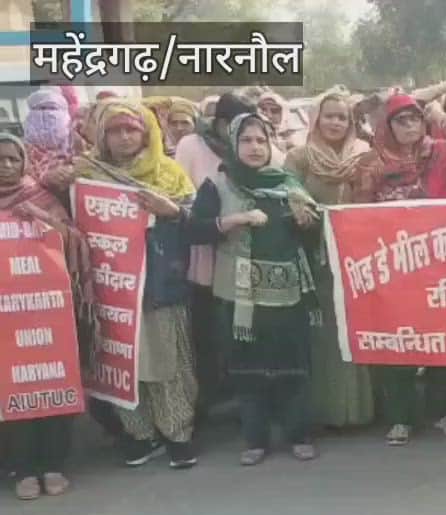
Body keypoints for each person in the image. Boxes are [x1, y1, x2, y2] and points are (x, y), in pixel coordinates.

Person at [188, 113, 322, 465]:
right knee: (247, 369)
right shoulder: (218, 185)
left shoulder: (288, 182)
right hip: (238, 295)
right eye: (246, 140)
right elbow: (195, 230)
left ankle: (298, 434)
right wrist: (233, 221)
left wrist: (308, 221)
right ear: (233, 145)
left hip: (286, 291)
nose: (254, 147)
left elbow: (314, 232)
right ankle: (255, 439)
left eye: (261, 140)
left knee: (292, 366)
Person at [75, 99, 200, 469]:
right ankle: (140, 434)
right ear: (102, 136)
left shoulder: (170, 174)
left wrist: (173, 211)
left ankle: (178, 434)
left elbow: (199, 221)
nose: (124, 137)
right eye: (115, 131)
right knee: (123, 363)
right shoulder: (88, 175)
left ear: (147, 133)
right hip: (112, 288)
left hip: (161, 284)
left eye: (132, 129)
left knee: (168, 362)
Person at [353, 92, 446, 446]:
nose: (409, 126)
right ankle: (401, 417)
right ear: (388, 126)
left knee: (444, 337)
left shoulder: (442, 151)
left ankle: (443, 411)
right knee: (398, 339)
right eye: (400, 120)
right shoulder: (373, 162)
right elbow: (360, 213)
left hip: (443, 259)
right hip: (394, 264)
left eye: (415, 119)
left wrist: (437, 113)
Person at [283, 88, 376, 431]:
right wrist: (299, 203)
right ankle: (327, 412)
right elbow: (288, 189)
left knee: (358, 326)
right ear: (316, 119)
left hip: (359, 258)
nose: (335, 122)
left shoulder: (365, 155)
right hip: (316, 257)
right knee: (325, 331)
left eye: (342, 117)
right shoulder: (299, 157)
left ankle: (361, 411)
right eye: (329, 116)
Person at [174, 92, 264, 425]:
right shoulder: (192, 146)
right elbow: (182, 196)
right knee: (208, 335)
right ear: (222, 123)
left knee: (242, 336)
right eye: (235, 126)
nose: (247, 138)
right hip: (205, 254)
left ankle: (246, 405)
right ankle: (206, 407)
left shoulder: (257, 153)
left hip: (246, 261)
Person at [0, 134, 80, 499]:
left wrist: (43, 219)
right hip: (7, 318)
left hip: (50, 313)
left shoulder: (41, 197)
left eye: (13, 159)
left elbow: (73, 241)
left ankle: (53, 464)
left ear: (24, 162)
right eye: (0, 160)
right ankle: (24, 468)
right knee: (13, 389)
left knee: (51, 385)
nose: (6, 166)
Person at [23, 88, 77, 204]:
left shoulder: (78, 146)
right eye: (39, 109)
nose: (45, 115)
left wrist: (74, 173)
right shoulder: (22, 153)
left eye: (52, 109)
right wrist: (45, 178)